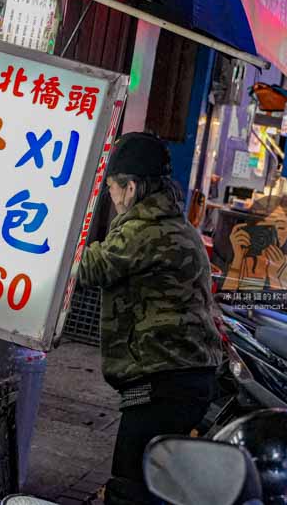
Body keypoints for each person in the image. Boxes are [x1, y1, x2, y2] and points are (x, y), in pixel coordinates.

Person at [76, 132, 223, 505]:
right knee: (153, 482)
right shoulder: (170, 220)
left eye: (112, 188)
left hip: (167, 380)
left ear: (131, 187)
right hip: (184, 376)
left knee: (132, 484)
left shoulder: (146, 229)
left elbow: (92, 267)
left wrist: (46, 230)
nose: (112, 196)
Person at [222, 207, 287, 292]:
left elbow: (283, 304)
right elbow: (226, 296)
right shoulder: (246, 259)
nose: (273, 234)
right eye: (266, 228)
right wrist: (237, 258)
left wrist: (274, 274)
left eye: (280, 228)